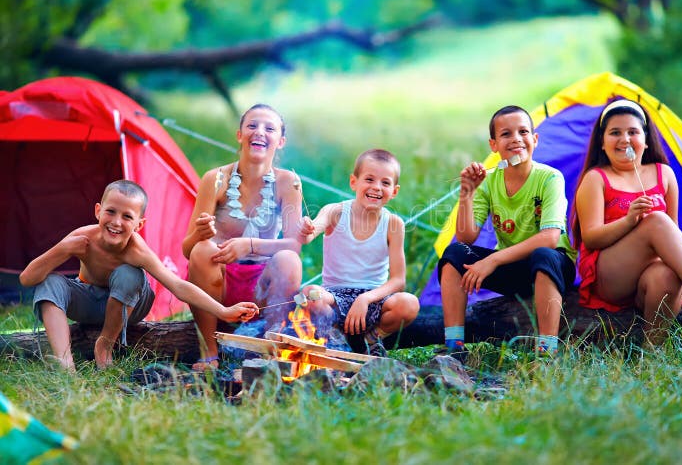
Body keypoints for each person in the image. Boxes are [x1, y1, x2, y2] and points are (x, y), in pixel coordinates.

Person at [20, 180, 258, 371]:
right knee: (50, 282)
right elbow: (27, 279)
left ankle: (104, 346)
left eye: (127, 217)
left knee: (129, 274)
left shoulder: (136, 250)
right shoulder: (82, 238)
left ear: (139, 224)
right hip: (89, 300)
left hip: (131, 306)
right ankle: (64, 362)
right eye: (110, 212)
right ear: (97, 211)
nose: (116, 222)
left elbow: (178, 286)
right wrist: (63, 249)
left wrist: (224, 311)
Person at [572, 98, 682, 345]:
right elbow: (590, 238)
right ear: (602, 143)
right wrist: (630, 221)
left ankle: (652, 352)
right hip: (610, 276)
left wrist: (681, 286)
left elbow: (672, 235)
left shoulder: (664, 174)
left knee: (667, 272)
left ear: (645, 140)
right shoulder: (596, 179)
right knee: (656, 220)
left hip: (649, 276)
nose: (624, 139)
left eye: (633, 132)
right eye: (615, 133)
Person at [438, 105, 577, 357]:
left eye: (523, 131)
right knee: (455, 253)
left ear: (534, 139)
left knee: (543, 255)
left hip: (553, 265)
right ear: (494, 145)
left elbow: (549, 239)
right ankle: (454, 346)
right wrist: (467, 193)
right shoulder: (489, 181)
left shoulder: (550, 178)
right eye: (505, 134)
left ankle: (546, 352)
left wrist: (492, 260)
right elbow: (466, 237)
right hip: (514, 270)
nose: (515, 139)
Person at [182, 104, 303, 370]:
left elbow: (295, 244)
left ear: (280, 141)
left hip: (261, 288)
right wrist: (201, 235)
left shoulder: (289, 182)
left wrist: (249, 245)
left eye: (269, 128)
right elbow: (187, 248)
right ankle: (209, 351)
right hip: (220, 285)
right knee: (202, 250)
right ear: (239, 135)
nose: (259, 132)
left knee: (289, 260)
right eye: (252, 126)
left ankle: (270, 349)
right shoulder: (215, 179)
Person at [297, 149, 419, 357]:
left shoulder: (393, 224)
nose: (376, 187)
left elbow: (398, 281)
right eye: (369, 179)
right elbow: (309, 235)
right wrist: (305, 228)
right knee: (309, 294)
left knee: (409, 303)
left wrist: (365, 299)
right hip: (335, 296)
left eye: (385, 183)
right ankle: (335, 338)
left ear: (395, 191)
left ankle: (369, 340)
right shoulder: (335, 212)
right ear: (354, 182)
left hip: (373, 300)